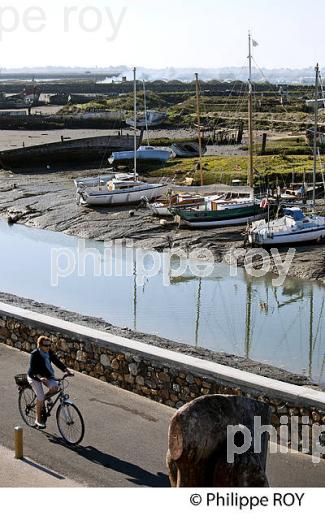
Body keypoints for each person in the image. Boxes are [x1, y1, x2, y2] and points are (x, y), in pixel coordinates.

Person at [27, 336, 73, 429]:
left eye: (49, 345)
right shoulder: (35, 354)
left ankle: (43, 399)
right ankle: (38, 419)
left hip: (47, 376)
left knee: (55, 388)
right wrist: (41, 378)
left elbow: (57, 361)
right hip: (35, 377)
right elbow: (33, 369)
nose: (48, 347)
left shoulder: (49, 352)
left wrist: (66, 370)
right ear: (40, 345)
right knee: (40, 396)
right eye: (46, 345)